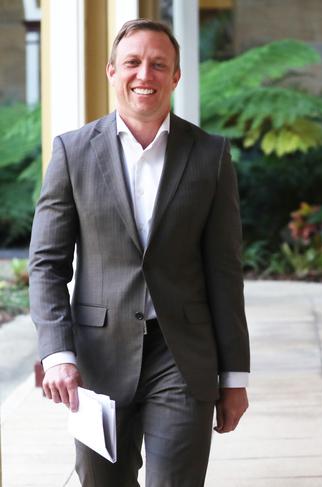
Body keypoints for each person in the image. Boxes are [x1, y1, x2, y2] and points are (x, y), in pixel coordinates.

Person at [28, 19, 250, 486]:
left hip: (182, 355)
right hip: (97, 359)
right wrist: (56, 353)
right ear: (112, 71)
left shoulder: (209, 154)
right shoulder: (72, 152)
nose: (143, 74)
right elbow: (47, 264)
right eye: (132, 62)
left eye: (157, 64)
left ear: (175, 76)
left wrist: (234, 377)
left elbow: (225, 270)